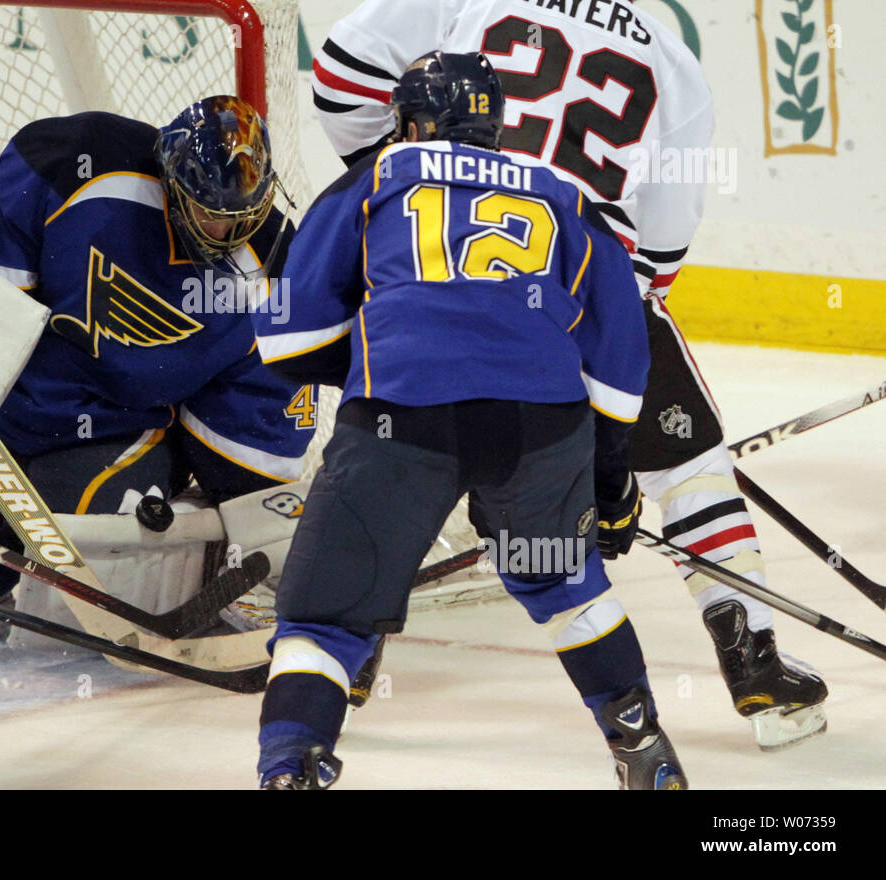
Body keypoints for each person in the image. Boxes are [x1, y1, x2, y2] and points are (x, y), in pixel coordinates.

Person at [307, 0, 826, 750]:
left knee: (396, 441)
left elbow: (337, 79)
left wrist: (405, 198)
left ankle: (351, 646)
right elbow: (658, 252)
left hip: (438, 259)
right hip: (587, 265)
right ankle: (751, 656)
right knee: (686, 452)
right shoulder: (671, 52)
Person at [252, 50, 682, 789]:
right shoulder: (564, 193)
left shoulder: (377, 177)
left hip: (398, 422)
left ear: (413, 121)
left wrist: (376, 356)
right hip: (539, 428)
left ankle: (290, 769)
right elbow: (618, 366)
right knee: (565, 585)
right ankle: (646, 753)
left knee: (323, 619)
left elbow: (285, 338)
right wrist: (610, 487)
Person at [0, 96, 313, 601]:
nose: (225, 232)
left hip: (117, 430)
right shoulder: (70, 163)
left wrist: (241, 516)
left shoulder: (278, 269)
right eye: (209, 214)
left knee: (78, 586)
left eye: (242, 215)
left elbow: (257, 401)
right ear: (173, 182)